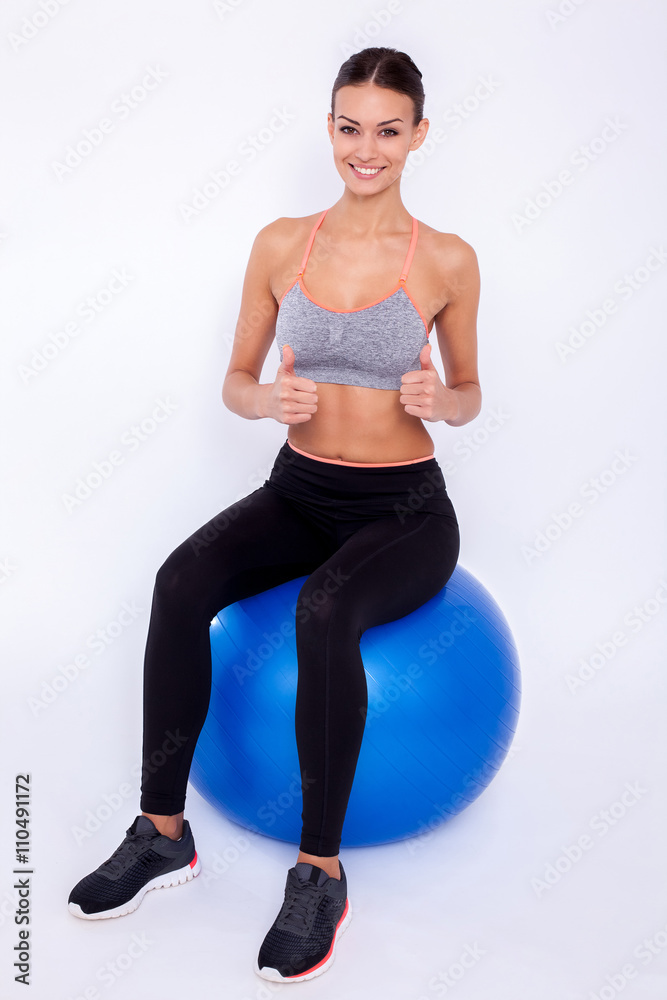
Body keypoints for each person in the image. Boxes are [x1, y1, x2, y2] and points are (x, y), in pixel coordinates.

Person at [67, 46, 481, 983]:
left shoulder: (448, 259)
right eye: (347, 127)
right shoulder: (280, 243)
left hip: (405, 507)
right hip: (298, 489)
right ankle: (162, 831)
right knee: (180, 582)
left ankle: (318, 872)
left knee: (324, 611)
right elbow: (235, 383)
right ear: (328, 128)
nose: (363, 149)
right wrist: (262, 404)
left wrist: (437, 397)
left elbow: (470, 393)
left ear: (418, 136)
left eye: (386, 130)